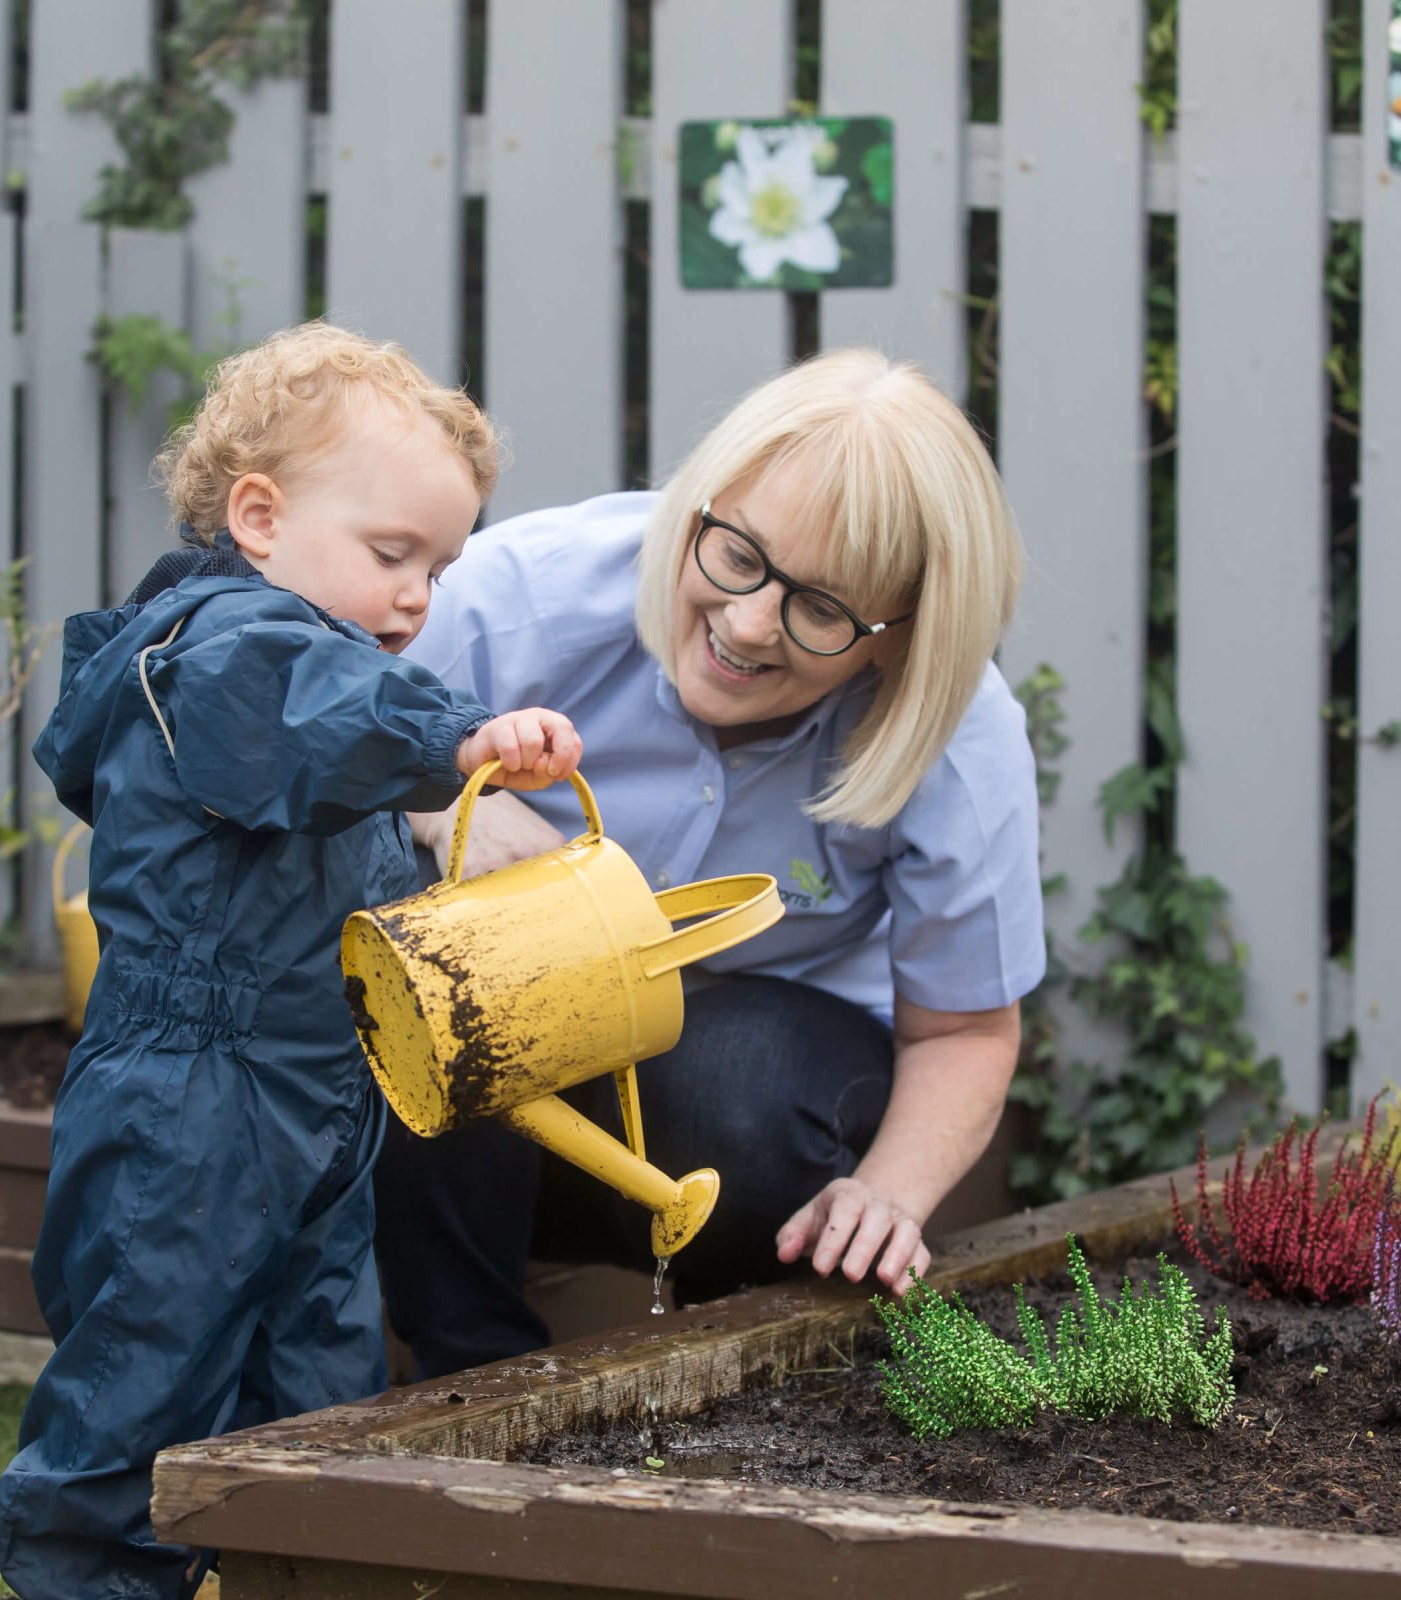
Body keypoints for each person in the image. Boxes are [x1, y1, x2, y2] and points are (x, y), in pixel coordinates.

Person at [0, 321, 581, 1600]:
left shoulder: (316, 673)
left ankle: (301, 1567)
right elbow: (330, 717)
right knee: (146, 1367)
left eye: (441, 562)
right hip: (188, 1098)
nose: (420, 593)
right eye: (391, 553)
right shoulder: (219, 651)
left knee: (317, 1382)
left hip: (317, 1092)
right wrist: (463, 735)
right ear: (258, 516)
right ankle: (89, 1577)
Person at [375, 347, 1045, 1379]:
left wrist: (892, 1193)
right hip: (476, 1088)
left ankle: (742, 1358)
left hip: (740, 1067)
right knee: (475, 960)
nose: (745, 625)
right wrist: (433, 809)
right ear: (701, 504)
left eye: (821, 610)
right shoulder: (530, 594)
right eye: (737, 554)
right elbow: (314, 731)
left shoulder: (950, 737)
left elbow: (964, 1026)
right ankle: (463, 1363)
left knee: (764, 1102)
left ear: (898, 639)